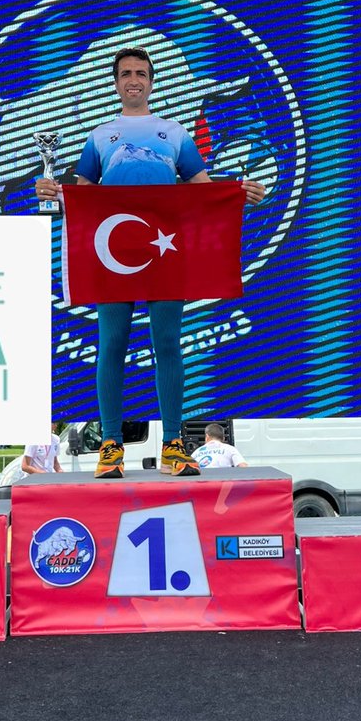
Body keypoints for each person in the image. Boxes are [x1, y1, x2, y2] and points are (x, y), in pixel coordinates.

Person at [36, 46, 265, 479]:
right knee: (112, 347)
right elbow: (83, 195)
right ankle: (110, 447)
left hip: (164, 252)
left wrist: (239, 192)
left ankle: (174, 446)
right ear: (116, 82)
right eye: (126, 73)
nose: (134, 80)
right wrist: (55, 194)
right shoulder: (100, 135)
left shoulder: (173, 132)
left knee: (167, 346)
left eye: (141, 72)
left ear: (152, 81)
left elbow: (202, 188)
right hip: (113, 256)